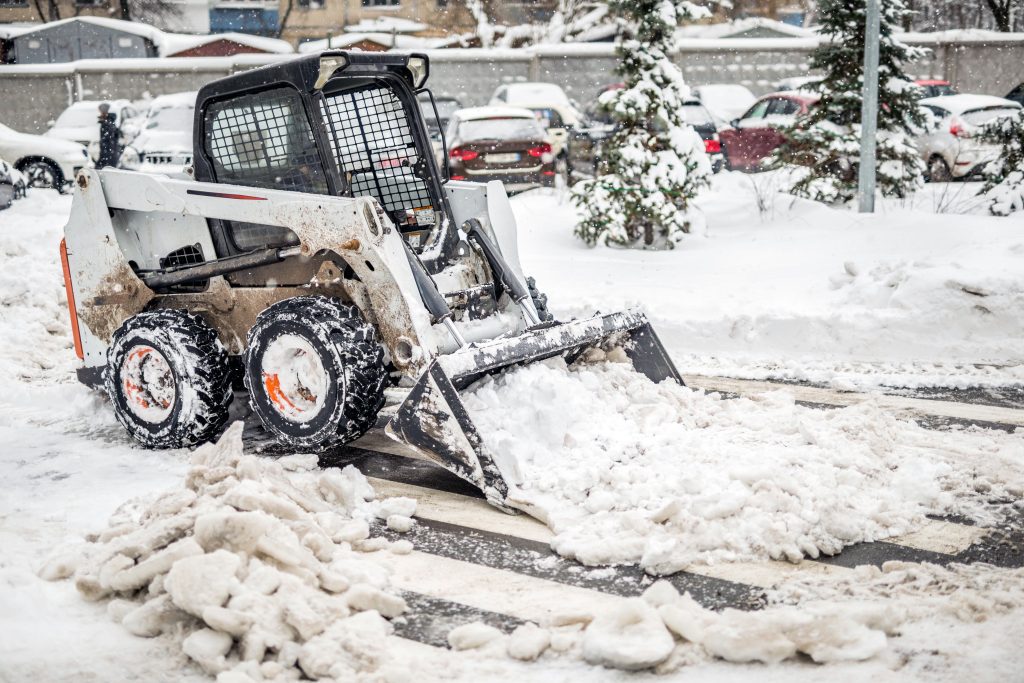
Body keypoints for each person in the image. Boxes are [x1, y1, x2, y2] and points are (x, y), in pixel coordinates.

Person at [96, 103, 121, 169]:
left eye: (101, 112)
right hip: (110, 156)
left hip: (108, 158)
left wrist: (103, 160)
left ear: (105, 112)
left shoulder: (107, 124)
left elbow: (108, 143)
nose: (100, 114)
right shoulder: (109, 123)